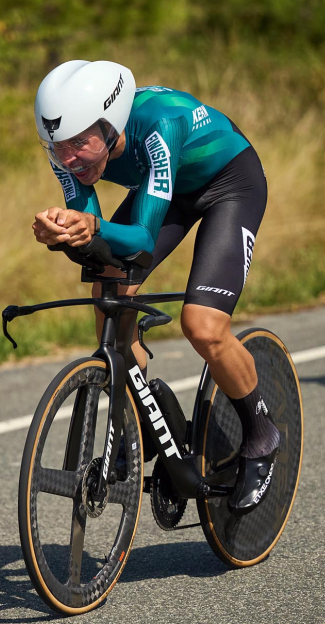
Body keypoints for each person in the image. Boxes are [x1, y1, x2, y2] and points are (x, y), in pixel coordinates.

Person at [31, 60, 277, 512]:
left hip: (230, 184)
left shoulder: (158, 123)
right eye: (57, 145)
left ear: (111, 125)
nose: (68, 158)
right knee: (108, 297)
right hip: (167, 191)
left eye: (80, 143)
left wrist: (91, 226)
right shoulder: (69, 149)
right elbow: (93, 231)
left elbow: (140, 239)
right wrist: (65, 233)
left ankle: (261, 434)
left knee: (202, 326)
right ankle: (141, 416)